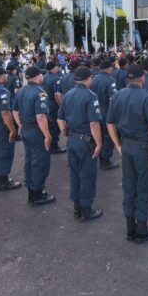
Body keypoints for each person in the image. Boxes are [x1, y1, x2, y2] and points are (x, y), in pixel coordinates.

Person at [107, 64, 148, 243]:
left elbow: (109, 124)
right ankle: (141, 230)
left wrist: (117, 144)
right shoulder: (147, 97)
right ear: (142, 79)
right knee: (144, 186)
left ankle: (130, 227)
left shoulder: (117, 96)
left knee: (129, 186)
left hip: (126, 146)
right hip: (142, 147)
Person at [57, 66, 104, 221]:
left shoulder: (68, 95)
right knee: (87, 175)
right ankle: (86, 210)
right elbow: (94, 124)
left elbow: (60, 118)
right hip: (85, 142)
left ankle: (77, 207)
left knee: (75, 174)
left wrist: (65, 132)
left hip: (72, 140)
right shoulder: (90, 96)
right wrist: (99, 143)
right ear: (88, 78)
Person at [13, 66, 55, 206]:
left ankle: (32, 190)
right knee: (40, 162)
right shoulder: (40, 92)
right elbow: (41, 116)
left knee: (30, 160)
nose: (42, 76)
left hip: (26, 129)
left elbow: (15, 111)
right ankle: (37, 193)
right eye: (41, 75)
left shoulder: (21, 91)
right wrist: (47, 135)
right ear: (37, 77)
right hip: (37, 131)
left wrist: (21, 125)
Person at [90, 58, 119, 170]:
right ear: (108, 68)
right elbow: (113, 99)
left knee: (98, 135)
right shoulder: (110, 80)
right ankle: (105, 160)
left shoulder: (94, 79)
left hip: (95, 110)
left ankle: (100, 158)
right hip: (106, 110)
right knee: (109, 136)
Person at [43, 61, 65, 154]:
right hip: (53, 103)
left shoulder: (45, 77)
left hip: (46, 102)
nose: (57, 68)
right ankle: (54, 146)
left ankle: (50, 144)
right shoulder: (55, 78)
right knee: (55, 126)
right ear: (53, 67)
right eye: (56, 66)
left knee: (49, 124)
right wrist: (61, 106)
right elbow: (57, 94)